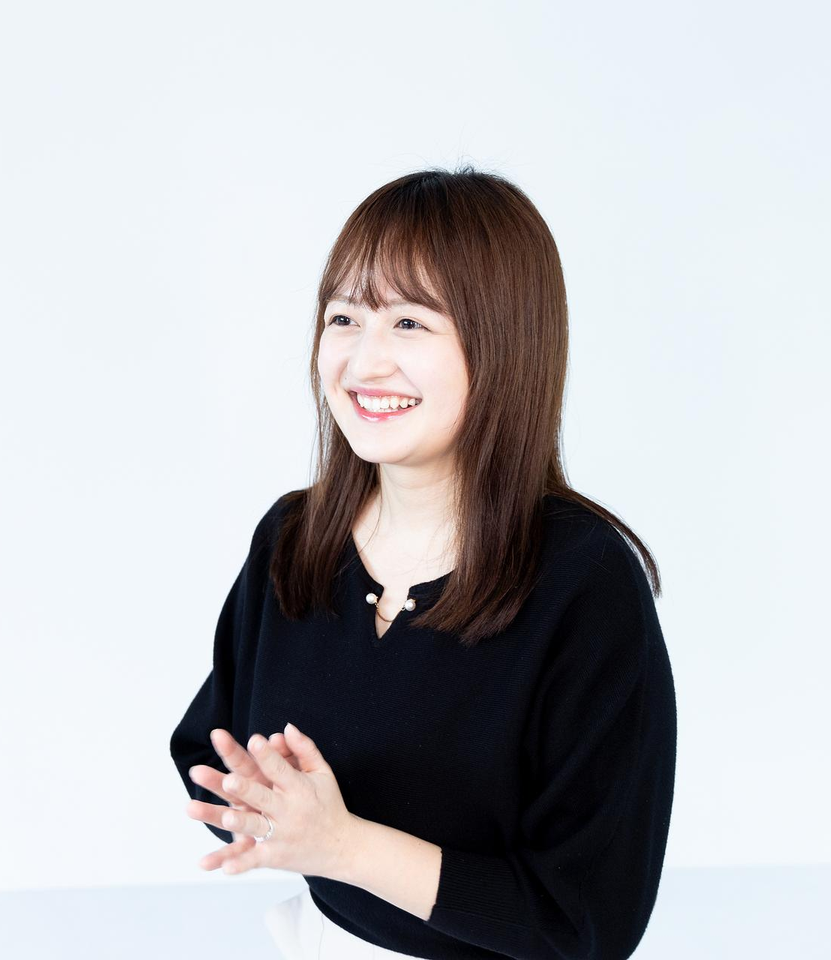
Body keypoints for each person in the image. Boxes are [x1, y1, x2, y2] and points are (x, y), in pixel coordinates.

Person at [169, 166, 678, 960]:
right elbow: (210, 745)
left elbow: (584, 921)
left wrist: (344, 846)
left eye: (409, 323)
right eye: (344, 318)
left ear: (504, 344)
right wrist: (262, 804)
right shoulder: (293, 538)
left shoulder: (584, 584)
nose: (363, 362)